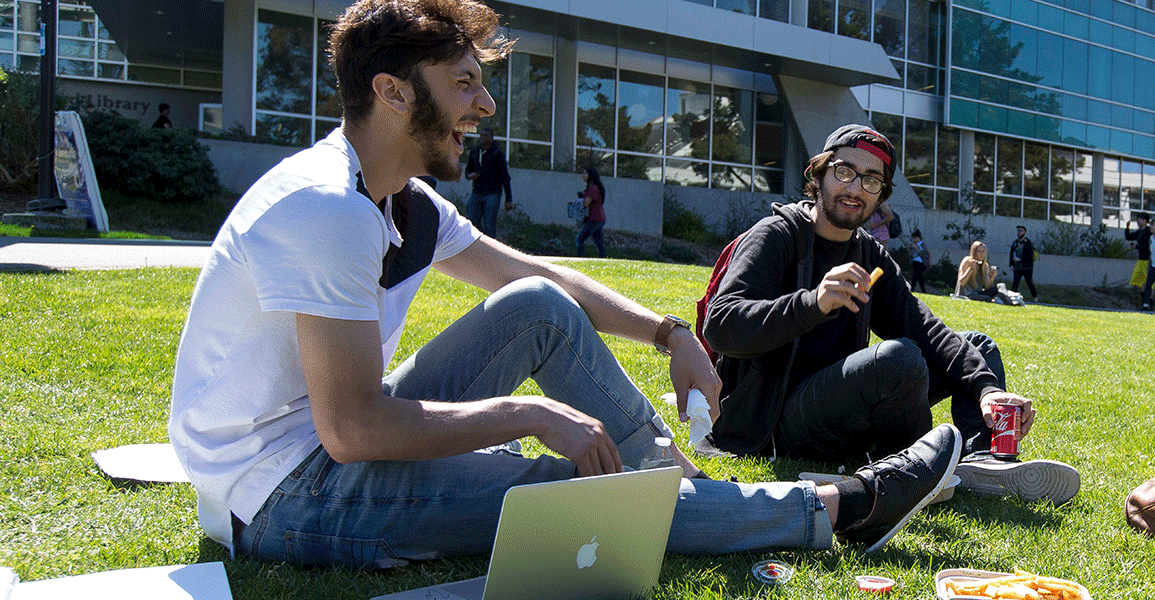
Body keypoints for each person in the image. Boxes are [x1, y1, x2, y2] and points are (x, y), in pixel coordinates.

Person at [166, 2, 962, 569]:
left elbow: (540, 278)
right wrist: (530, 413)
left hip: (324, 445)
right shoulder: (326, 208)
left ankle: (675, 481)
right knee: (568, 486)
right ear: (392, 91)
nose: (483, 104)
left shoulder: (398, 197)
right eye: (464, 84)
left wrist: (670, 333)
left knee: (536, 308)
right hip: (287, 494)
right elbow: (353, 433)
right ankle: (844, 507)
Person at [701, 124, 1079, 504]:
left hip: (843, 402)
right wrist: (813, 302)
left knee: (976, 347)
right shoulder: (776, 236)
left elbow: (922, 327)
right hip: (776, 417)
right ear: (819, 173)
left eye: (871, 180)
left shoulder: (867, 254)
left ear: (881, 194)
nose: (854, 188)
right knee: (899, 358)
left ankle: (980, 463)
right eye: (844, 171)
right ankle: (913, 469)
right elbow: (721, 326)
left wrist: (986, 389)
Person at [463, 127, 512, 238]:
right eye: (481, 135)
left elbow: (505, 177)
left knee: (489, 225)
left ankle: (490, 250)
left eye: (485, 136)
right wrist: (469, 175)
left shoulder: (497, 154)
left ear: (491, 138)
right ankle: (478, 243)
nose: (482, 138)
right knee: (470, 221)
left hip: (492, 193)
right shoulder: (476, 151)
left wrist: (508, 199)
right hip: (477, 192)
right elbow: (468, 169)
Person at [955, 240, 1018, 305]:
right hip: (967, 294)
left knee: (1001, 286)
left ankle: (1008, 302)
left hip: (978, 292)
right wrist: (970, 269)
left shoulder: (985, 265)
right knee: (987, 298)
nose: (981, 254)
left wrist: (992, 277)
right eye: (979, 251)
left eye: (983, 251)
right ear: (974, 252)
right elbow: (962, 282)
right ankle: (999, 299)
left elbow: (987, 287)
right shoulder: (967, 261)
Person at [572, 166, 607, 257]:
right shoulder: (594, 187)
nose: (583, 175)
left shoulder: (593, 188)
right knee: (599, 243)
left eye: (585, 173)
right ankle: (604, 259)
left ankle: (580, 259)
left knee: (579, 239)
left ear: (590, 175)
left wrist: (577, 203)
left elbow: (586, 204)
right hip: (600, 218)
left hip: (594, 219)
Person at [1124, 214, 1154, 300]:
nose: (1138, 221)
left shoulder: (1149, 231)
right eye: (1138, 219)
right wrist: (1127, 228)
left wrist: (1136, 247)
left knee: (1149, 282)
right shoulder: (1139, 231)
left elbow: (1148, 245)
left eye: (1140, 219)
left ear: (1145, 221)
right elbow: (1129, 237)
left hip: (1147, 260)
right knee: (1136, 280)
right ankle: (1144, 298)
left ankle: (1149, 301)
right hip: (1141, 259)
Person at [1008, 225, 1039, 301]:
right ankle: (1013, 298)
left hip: (1027, 267)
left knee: (1029, 282)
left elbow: (1029, 255)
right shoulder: (1015, 243)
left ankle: (1035, 297)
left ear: (1024, 232)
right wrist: (1011, 265)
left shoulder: (1028, 243)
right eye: (1018, 231)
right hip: (1017, 267)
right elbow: (1011, 254)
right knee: (1015, 282)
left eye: (1021, 231)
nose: (1019, 232)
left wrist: (1020, 259)